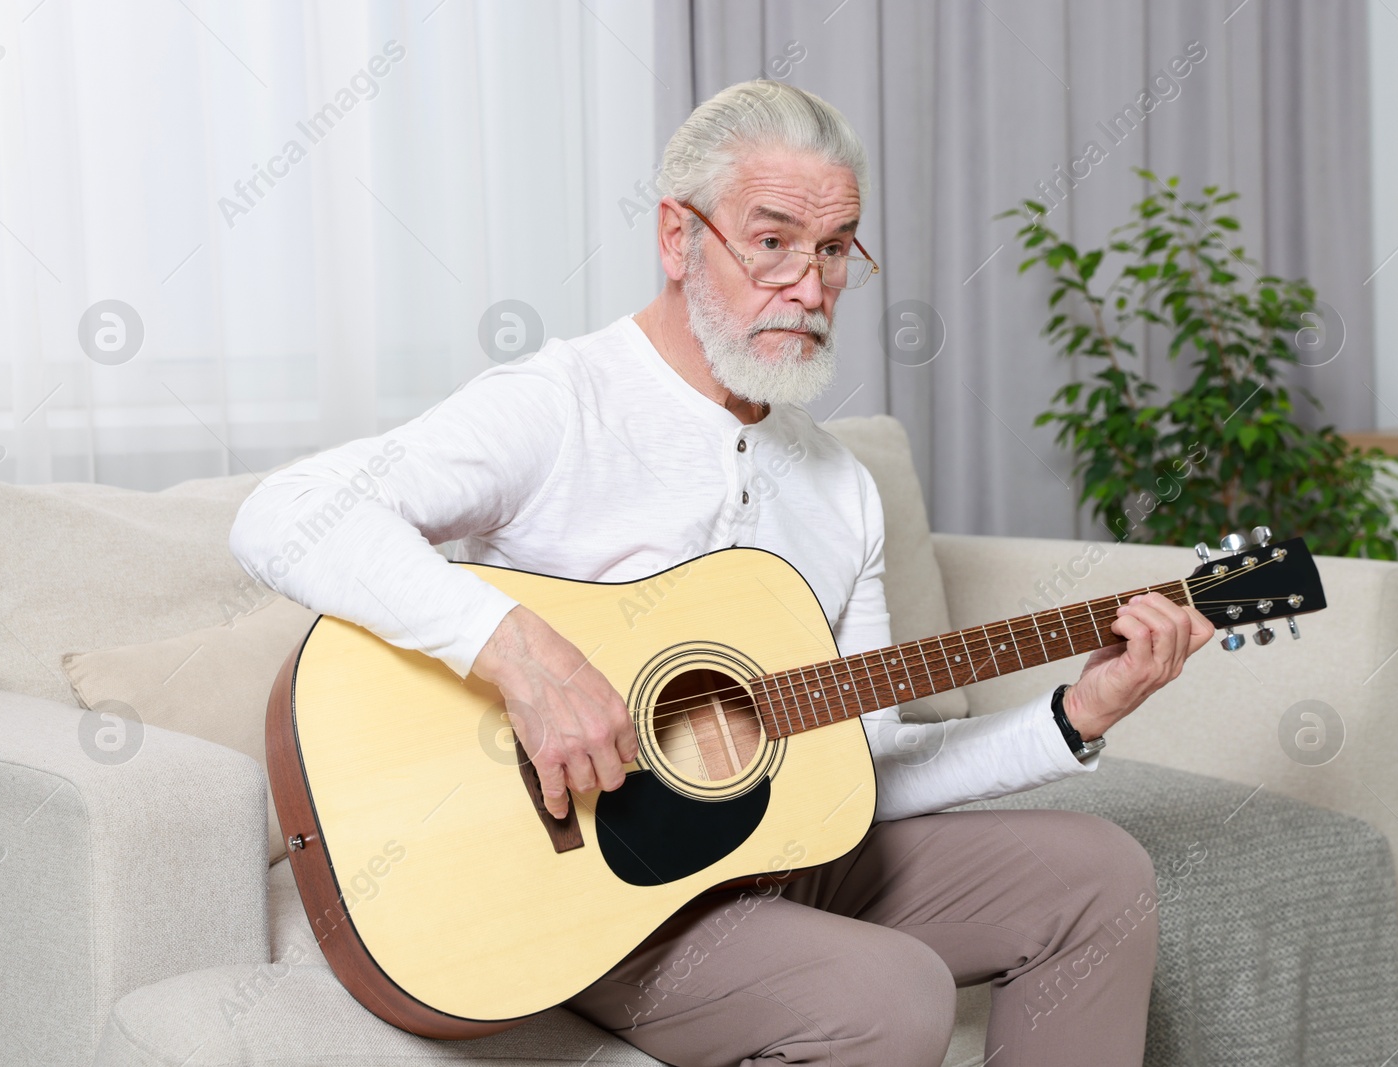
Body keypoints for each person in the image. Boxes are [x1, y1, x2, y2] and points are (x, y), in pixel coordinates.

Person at [230, 79, 1214, 1067]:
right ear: (676, 236)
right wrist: (519, 653)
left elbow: (855, 768)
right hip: (598, 888)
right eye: (772, 238)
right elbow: (282, 516)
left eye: (835, 248)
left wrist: (1073, 715)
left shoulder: (841, 489)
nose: (811, 281)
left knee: (1100, 871)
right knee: (890, 991)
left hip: (776, 862)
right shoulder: (560, 404)